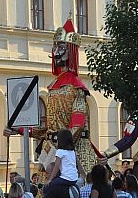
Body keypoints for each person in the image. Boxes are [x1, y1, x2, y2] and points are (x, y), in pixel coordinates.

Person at [5, 18, 97, 180]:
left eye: (61, 47)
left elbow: (78, 124)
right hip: (51, 150)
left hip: (70, 150)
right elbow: (48, 128)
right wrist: (18, 129)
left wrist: (60, 148)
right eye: (55, 46)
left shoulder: (77, 88)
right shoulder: (52, 87)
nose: (55, 51)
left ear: (70, 51)